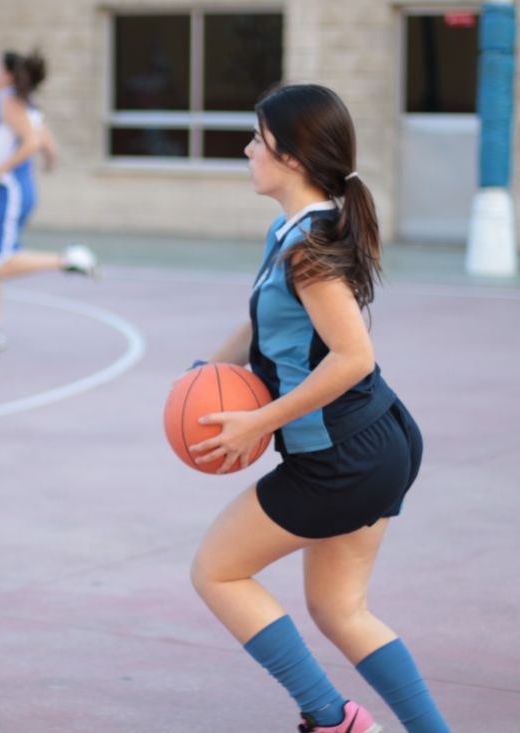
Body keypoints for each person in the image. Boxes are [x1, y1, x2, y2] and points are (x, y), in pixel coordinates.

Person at [186, 84, 453, 733]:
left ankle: (333, 720)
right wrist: (205, 375)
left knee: (217, 572)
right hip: (376, 442)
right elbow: (266, 324)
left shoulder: (309, 247)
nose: (247, 150)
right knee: (339, 608)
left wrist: (258, 421)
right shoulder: (296, 230)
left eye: (258, 139)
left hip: (343, 455)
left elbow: (352, 356)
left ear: (292, 156)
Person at [0, 50, 98, 354]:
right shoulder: (27, 104)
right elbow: (47, 144)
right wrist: (50, 162)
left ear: (7, 75)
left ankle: (69, 260)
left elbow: (32, 142)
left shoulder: (7, 101)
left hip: (8, 192)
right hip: (14, 191)